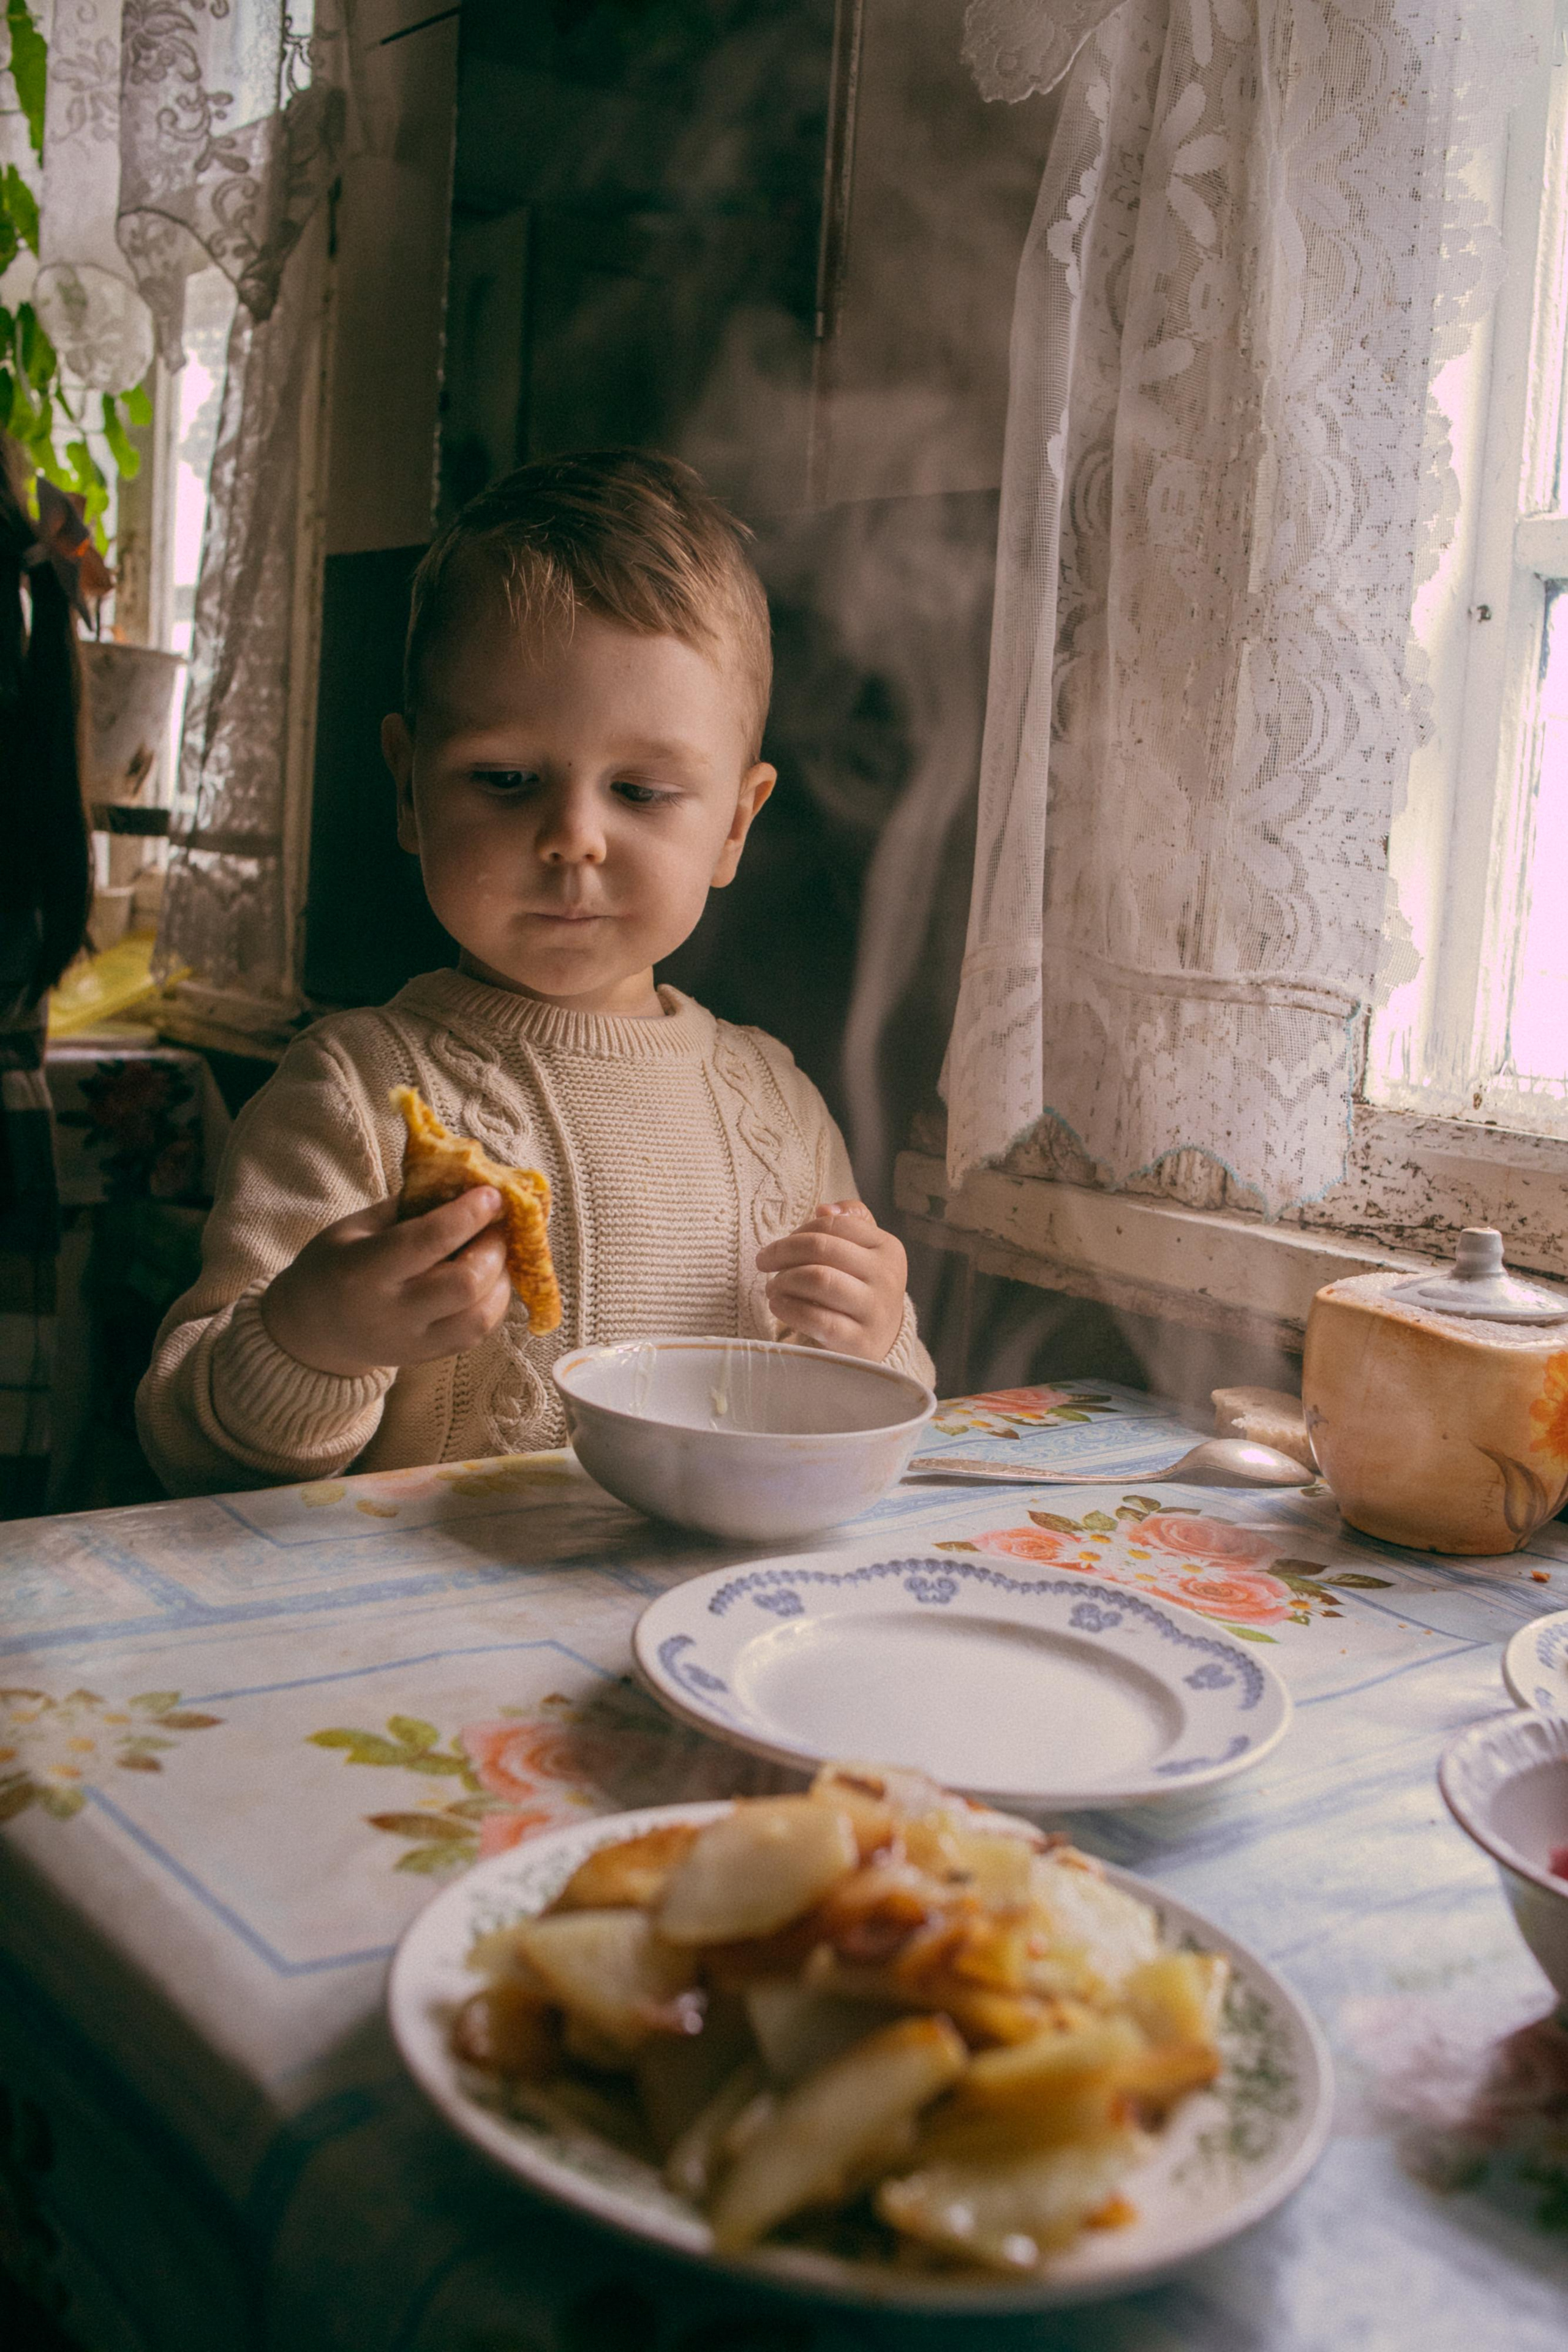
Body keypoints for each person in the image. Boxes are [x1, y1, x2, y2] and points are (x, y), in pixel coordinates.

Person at [137, 451, 933, 1494]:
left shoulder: (778, 1106)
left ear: (736, 824)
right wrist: (313, 1339)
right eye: (506, 779)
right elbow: (188, 1447)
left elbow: (875, 1418)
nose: (573, 837)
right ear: (410, 790)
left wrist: (875, 1338)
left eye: (641, 792)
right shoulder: (351, 1094)